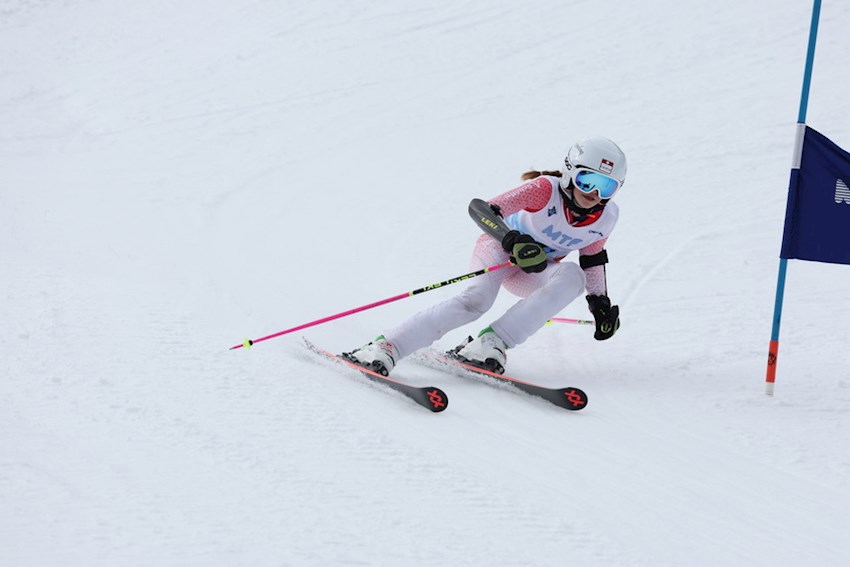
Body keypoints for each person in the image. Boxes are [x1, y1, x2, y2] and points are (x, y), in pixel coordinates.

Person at [344, 136, 625, 376]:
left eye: (606, 187)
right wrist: (512, 240)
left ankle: (491, 342)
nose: (595, 193)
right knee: (476, 301)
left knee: (573, 276)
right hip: (498, 251)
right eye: (587, 181)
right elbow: (481, 209)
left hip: (534, 269)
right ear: (569, 173)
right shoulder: (544, 190)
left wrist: (599, 303)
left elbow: (592, 259)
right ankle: (386, 347)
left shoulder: (607, 218)